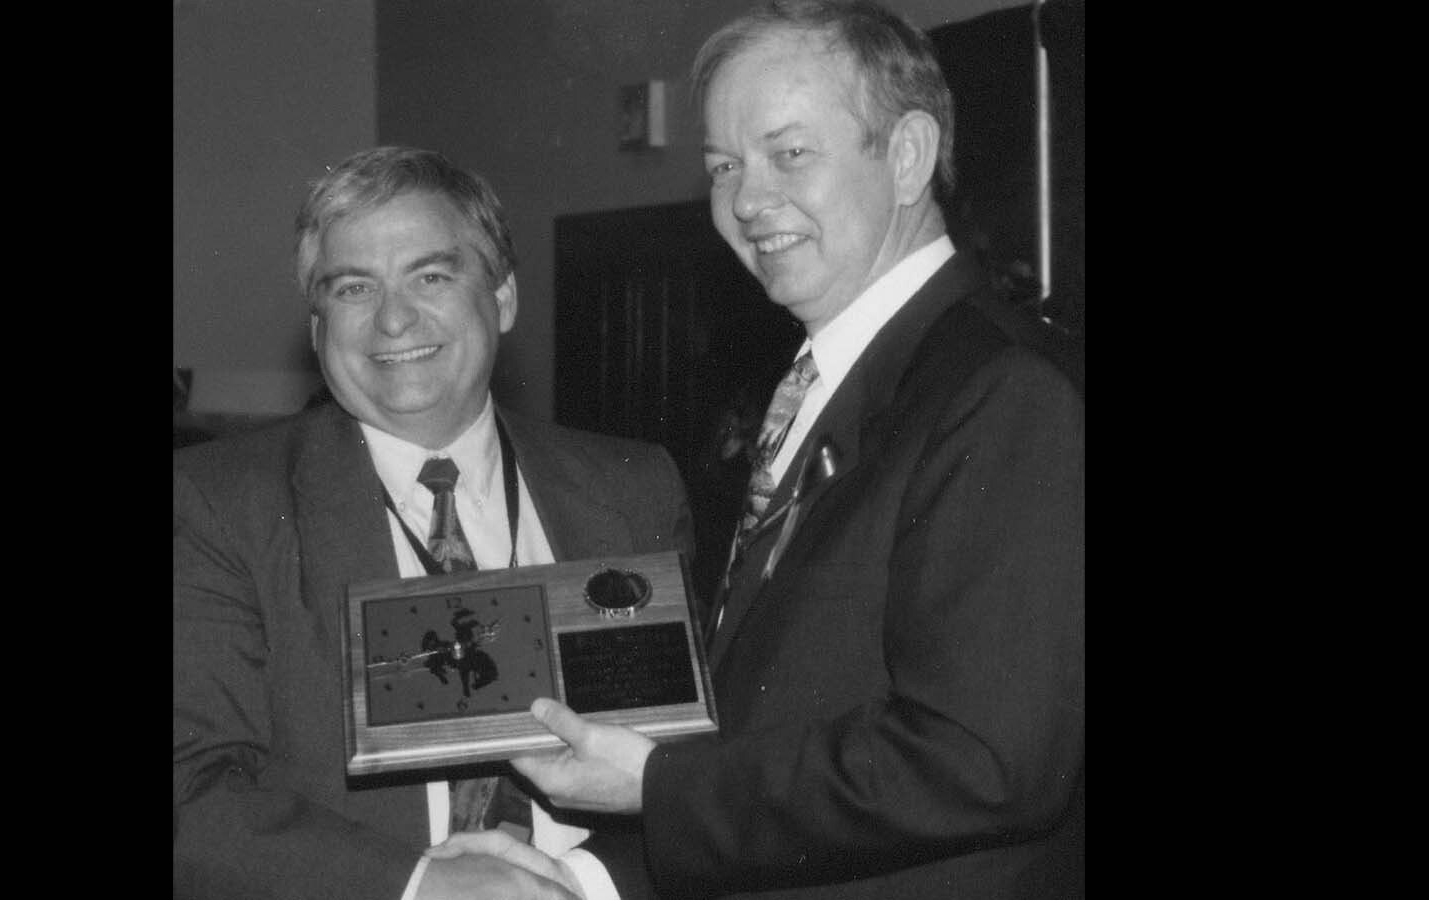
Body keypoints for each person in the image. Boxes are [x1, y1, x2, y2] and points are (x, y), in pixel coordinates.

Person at [432, 2, 1084, 897]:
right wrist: (575, 880)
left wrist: (660, 787)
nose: (745, 202)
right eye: (725, 167)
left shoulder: (1005, 393)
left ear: (907, 157)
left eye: (790, 155)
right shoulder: (830, 385)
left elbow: (978, 760)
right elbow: (774, 722)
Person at [174, 146, 695, 899]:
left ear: (504, 298)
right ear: (317, 326)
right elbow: (190, 792)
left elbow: (694, 774)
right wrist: (422, 886)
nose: (393, 318)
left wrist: (576, 881)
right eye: (353, 287)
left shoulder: (634, 488)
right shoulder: (220, 507)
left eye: (431, 275)